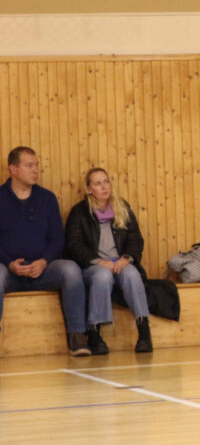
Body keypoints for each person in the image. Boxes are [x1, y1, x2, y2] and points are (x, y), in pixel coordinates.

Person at [0, 147, 90, 356]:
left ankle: (77, 335)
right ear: (13, 169)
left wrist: (44, 261)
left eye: (37, 165)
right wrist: (9, 263)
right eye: (29, 166)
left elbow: (57, 238)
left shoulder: (47, 198)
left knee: (70, 270)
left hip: (42, 270)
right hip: (8, 270)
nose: (35, 170)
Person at [64, 168, 153, 353]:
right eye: (98, 183)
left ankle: (144, 330)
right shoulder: (80, 212)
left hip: (119, 262)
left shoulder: (121, 207)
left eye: (106, 182)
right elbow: (74, 244)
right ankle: (95, 332)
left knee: (132, 274)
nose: (104, 187)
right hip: (93, 265)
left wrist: (126, 258)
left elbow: (135, 239)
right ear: (89, 189)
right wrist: (98, 261)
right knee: (102, 276)